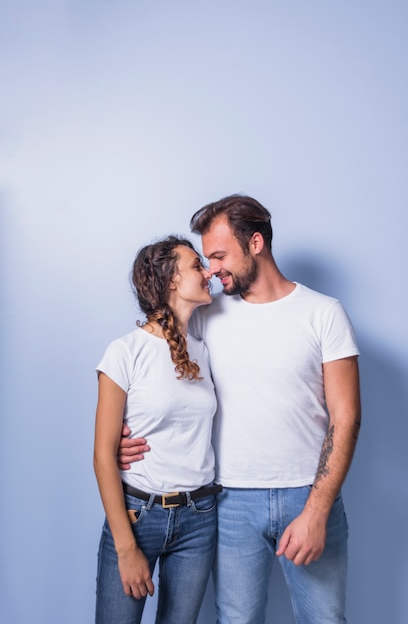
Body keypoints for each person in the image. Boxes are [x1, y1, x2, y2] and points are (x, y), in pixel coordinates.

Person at [119, 195, 361, 624]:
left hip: (308, 493)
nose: (210, 269)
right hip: (228, 504)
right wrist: (125, 436)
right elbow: (151, 367)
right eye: (205, 259)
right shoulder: (204, 315)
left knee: (326, 620)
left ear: (255, 244)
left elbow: (346, 418)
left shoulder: (324, 314)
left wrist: (317, 512)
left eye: (217, 255)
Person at [93, 235, 222, 624]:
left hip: (200, 518)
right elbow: (102, 456)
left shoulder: (204, 348)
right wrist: (126, 547)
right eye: (197, 266)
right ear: (169, 281)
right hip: (138, 515)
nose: (208, 272)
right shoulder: (124, 352)